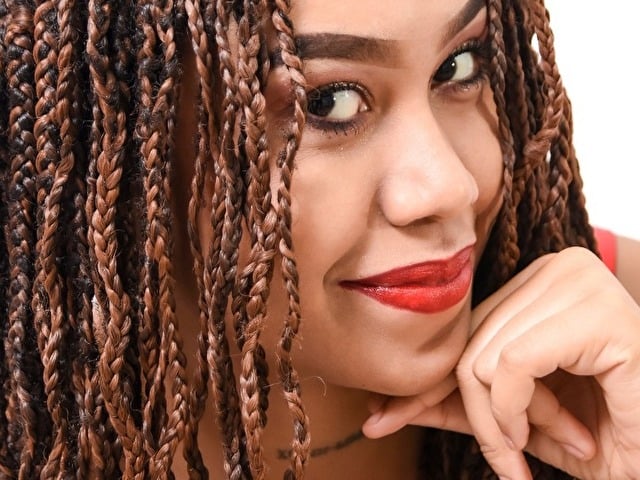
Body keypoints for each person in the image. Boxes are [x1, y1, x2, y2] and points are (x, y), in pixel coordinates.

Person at [0, 0, 638, 478]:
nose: (451, 187)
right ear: (121, 147)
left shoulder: (615, 342)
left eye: (459, 66)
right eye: (327, 103)